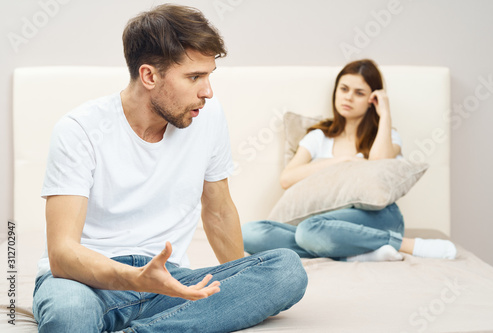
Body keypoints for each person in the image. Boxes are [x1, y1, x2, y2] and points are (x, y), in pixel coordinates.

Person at [32, 4, 307, 333]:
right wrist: (136, 278)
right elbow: (63, 254)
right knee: (69, 316)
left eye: (208, 76)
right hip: (86, 282)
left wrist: (239, 282)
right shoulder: (79, 129)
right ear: (149, 75)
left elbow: (218, 211)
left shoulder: (207, 115)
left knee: (287, 270)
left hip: (168, 283)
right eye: (194, 77)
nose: (207, 91)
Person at [243, 59, 457, 262]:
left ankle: (406, 245)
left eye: (359, 93)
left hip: (377, 218)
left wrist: (385, 113)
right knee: (250, 233)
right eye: (343, 89)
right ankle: (356, 253)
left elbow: (380, 162)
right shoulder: (319, 136)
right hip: (321, 221)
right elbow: (287, 178)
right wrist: (341, 162)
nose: (348, 97)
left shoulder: (387, 136)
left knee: (309, 231)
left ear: (371, 99)